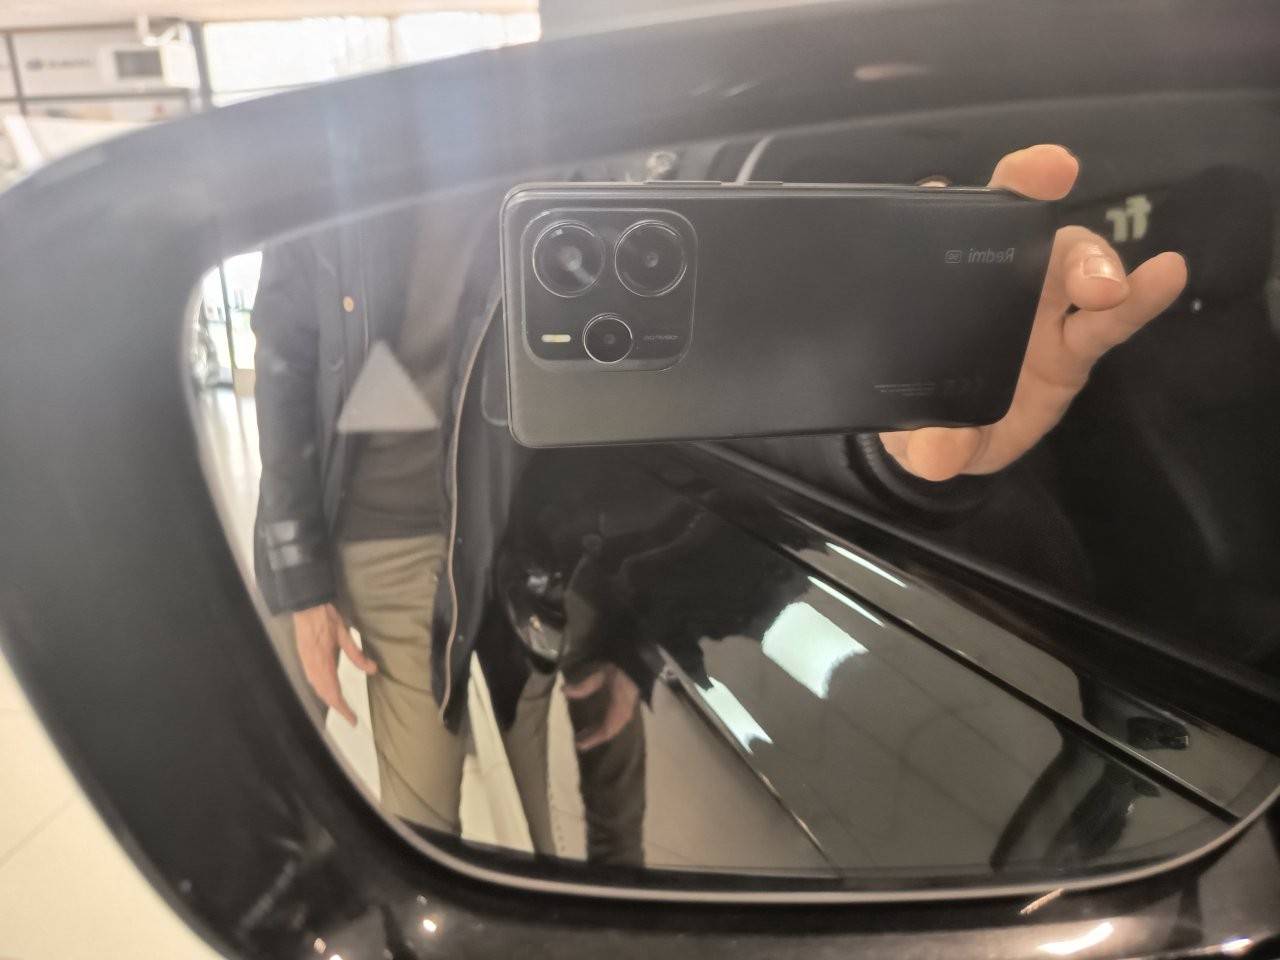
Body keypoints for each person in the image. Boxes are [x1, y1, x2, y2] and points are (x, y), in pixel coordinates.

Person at [250, 144, 1185, 846]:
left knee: (536, 808)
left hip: (531, 547)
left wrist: (888, 442)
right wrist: (299, 579)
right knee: (422, 819)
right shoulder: (330, 169)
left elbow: (696, 385)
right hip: (385, 535)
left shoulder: (585, 159)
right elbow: (287, 360)